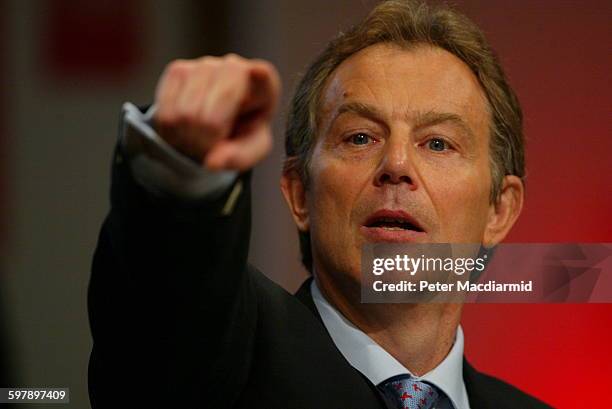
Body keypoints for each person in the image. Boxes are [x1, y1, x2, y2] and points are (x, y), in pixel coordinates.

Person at [88, 1, 552, 408]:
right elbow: (169, 306)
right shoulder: (230, 356)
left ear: (499, 211)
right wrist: (181, 172)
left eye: (437, 143)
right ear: (298, 193)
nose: (396, 164)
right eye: (360, 137)